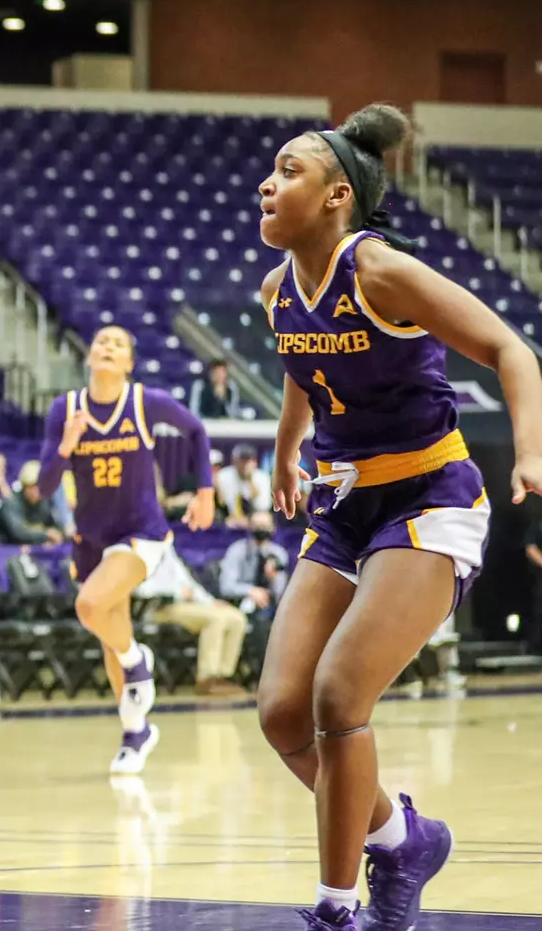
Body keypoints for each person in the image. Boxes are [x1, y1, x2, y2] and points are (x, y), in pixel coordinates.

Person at [252, 104, 537, 931]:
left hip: (428, 495)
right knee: (281, 713)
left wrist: (531, 452)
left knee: (339, 697)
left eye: (289, 172)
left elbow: (512, 350)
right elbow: (303, 370)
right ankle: (400, 836)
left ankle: (338, 907)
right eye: (270, 172)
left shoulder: (382, 272)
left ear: (339, 195)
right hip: (341, 503)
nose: (268, 184)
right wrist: (283, 455)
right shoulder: (278, 289)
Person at [37, 325, 215, 777]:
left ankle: (138, 660)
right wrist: (65, 447)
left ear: (129, 362)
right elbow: (44, 486)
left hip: (140, 532)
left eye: (118, 344)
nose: (107, 347)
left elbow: (196, 431)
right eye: (100, 341)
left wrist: (205, 491)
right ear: (90, 355)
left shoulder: (143, 402)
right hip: (91, 537)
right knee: (106, 636)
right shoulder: (66, 408)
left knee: (90, 605)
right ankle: (135, 732)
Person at [137, 545, 250, 697]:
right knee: (215, 619)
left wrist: (211, 602)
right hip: (160, 607)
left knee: (236, 617)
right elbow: (139, 589)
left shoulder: (167, 550)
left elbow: (188, 582)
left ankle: (222, 676)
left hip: (187, 604)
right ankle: (206, 678)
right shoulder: (137, 552)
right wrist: (177, 593)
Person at [218, 510, 289, 614]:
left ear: (273, 528)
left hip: (269, 606)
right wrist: (251, 591)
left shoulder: (279, 554)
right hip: (238, 602)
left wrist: (273, 576)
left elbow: (281, 593)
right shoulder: (237, 550)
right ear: (250, 527)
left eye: (265, 525)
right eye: (257, 525)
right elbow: (226, 586)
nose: (261, 529)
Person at [0, 459, 65, 546]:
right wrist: (46, 534)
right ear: (24, 487)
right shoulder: (11, 502)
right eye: (32, 486)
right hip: (7, 553)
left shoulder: (45, 502)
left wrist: (60, 533)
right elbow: (18, 533)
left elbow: (58, 527)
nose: (36, 490)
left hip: (35, 554)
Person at [218, 443, 274, 527]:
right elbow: (224, 503)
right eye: (241, 460)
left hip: (254, 517)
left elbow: (263, 506)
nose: (244, 465)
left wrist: (250, 480)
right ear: (234, 461)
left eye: (247, 461)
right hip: (230, 516)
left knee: (263, 519)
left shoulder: (262, 477)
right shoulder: (223, 476)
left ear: (254, 462)